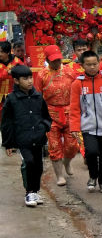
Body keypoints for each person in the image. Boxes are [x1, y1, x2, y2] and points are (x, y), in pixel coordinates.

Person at [69, 49, 102, 192]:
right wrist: (74, 127)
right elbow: (74, 108)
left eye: (95, 64)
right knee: (91, 152)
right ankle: (93, 176)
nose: (92, 67)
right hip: (87, 126)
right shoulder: (77, 84)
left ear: (99, 63)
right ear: (82, 65)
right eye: (88, 64)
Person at [1, 65, 52, 207]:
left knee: (39, 165)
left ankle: (35, 191)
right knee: (29, 162)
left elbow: (46, 117)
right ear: (16, 81)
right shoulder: (11, 99)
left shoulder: (38, 97)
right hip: (22, 139)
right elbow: (6, 122)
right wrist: (8, 143)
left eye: (31, 77)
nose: (30, 81)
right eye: (25, 78)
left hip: (38, 138)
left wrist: (44, 127)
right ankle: (29, 192)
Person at [34, 45, 79, 186]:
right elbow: (38, 96)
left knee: (72, 145)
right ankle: (59, 176)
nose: (57, 62)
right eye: (54, 60)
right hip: (50, 114)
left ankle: (67, 161)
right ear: (47, 59)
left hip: (69, 113)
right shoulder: (42, 75)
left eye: (59, 59)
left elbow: (78, 90)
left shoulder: (70, 72)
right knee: (54, 146)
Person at [0, 40, 20, 124]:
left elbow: (23, 76)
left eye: (1, 52)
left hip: (14, 95)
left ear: (8, 52)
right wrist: (7, 73)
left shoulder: (17, 62)